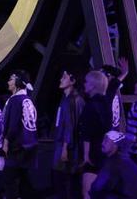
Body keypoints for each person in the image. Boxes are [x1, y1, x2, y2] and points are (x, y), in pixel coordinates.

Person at [1, 69, 37, 199]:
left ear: (17, 82)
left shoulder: (15, 100)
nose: (8, 82)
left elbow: (13, 124)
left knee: (10, 182)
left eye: (10, 79)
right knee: (25, 183)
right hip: (29, 147)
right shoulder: (28, 99)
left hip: (17, 148)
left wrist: (6, 142)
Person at [78, 70, 112, 199]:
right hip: (104, 151)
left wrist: (86, 156)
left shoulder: (90, 106)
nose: (84, 84)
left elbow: (87, 133)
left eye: (86, 82)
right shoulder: (106, 104)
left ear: (92, 86)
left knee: (88, 191)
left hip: (93, 153)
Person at [53, 69, 86, 199]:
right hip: (65, 144)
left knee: (65, 182)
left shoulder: (73, 100)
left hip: (68, 146)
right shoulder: (67, 99)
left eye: (64, 77)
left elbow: (70, 125)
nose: (61, 79)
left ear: (73, 81)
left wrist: (65, 148)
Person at [88, 131, 137, 199]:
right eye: (103, 140)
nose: (102, 143)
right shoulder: (127, 160)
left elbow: (96, 188)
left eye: (106, 141)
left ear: (115, 145)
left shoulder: (113, 163)